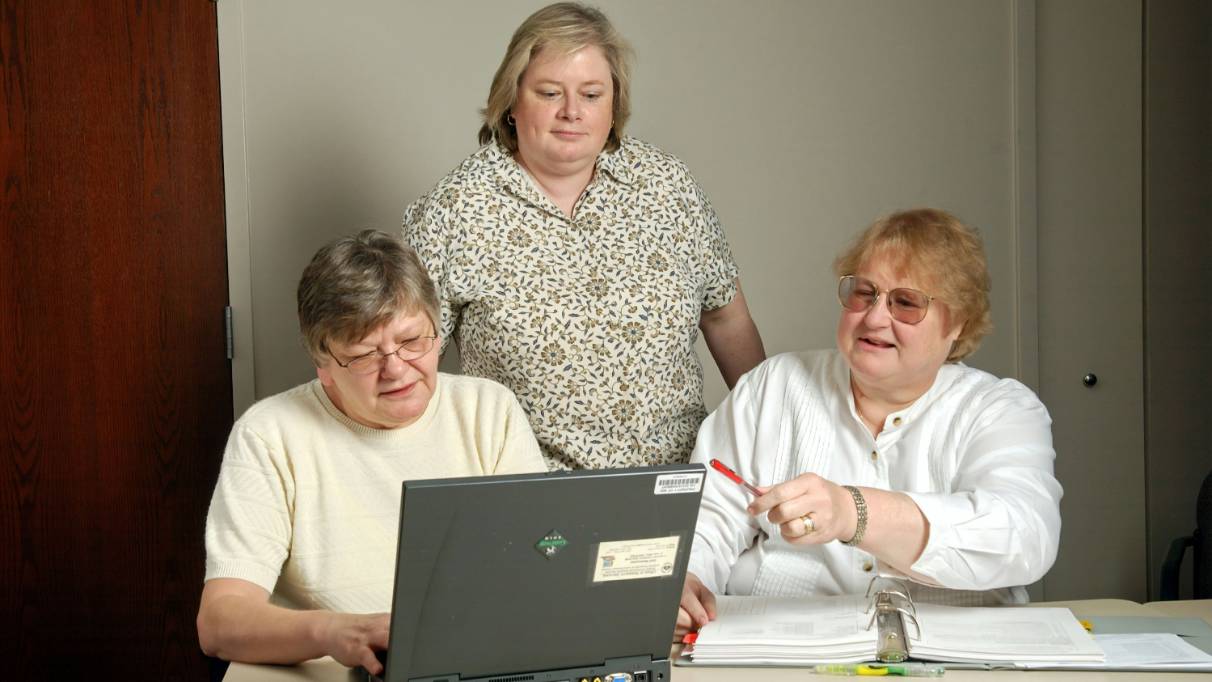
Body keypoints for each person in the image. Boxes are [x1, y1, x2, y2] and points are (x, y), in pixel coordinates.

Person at [403, 2, 765, 471]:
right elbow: (408, 363)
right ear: (511, 101)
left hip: (679, 481)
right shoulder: (452, 211)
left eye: (592, 95)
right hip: (530, 490)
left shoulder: (668, 186)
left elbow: (726, 319)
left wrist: (768, 436)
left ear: (614, 103)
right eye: (550, 93)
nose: (572, 112)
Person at [677, 208, 1062, 637]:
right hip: (782, 648)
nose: (875, 317)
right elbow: (707, 516)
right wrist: (686, 581)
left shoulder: (999, 409)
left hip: (950, 656)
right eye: (865, 293)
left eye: (906, 302)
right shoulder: (774, 386)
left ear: (957, 324)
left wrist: (854, 512)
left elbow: (1024, 537)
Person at [196, 230, 545, 674]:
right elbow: (219, 622)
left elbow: (538, 568)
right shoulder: (268, 434)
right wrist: (334, 633)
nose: (396, 369)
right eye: (364, 355)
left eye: (414, 340)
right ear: (323, 365)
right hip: (329, 669)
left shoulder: (488, 410)